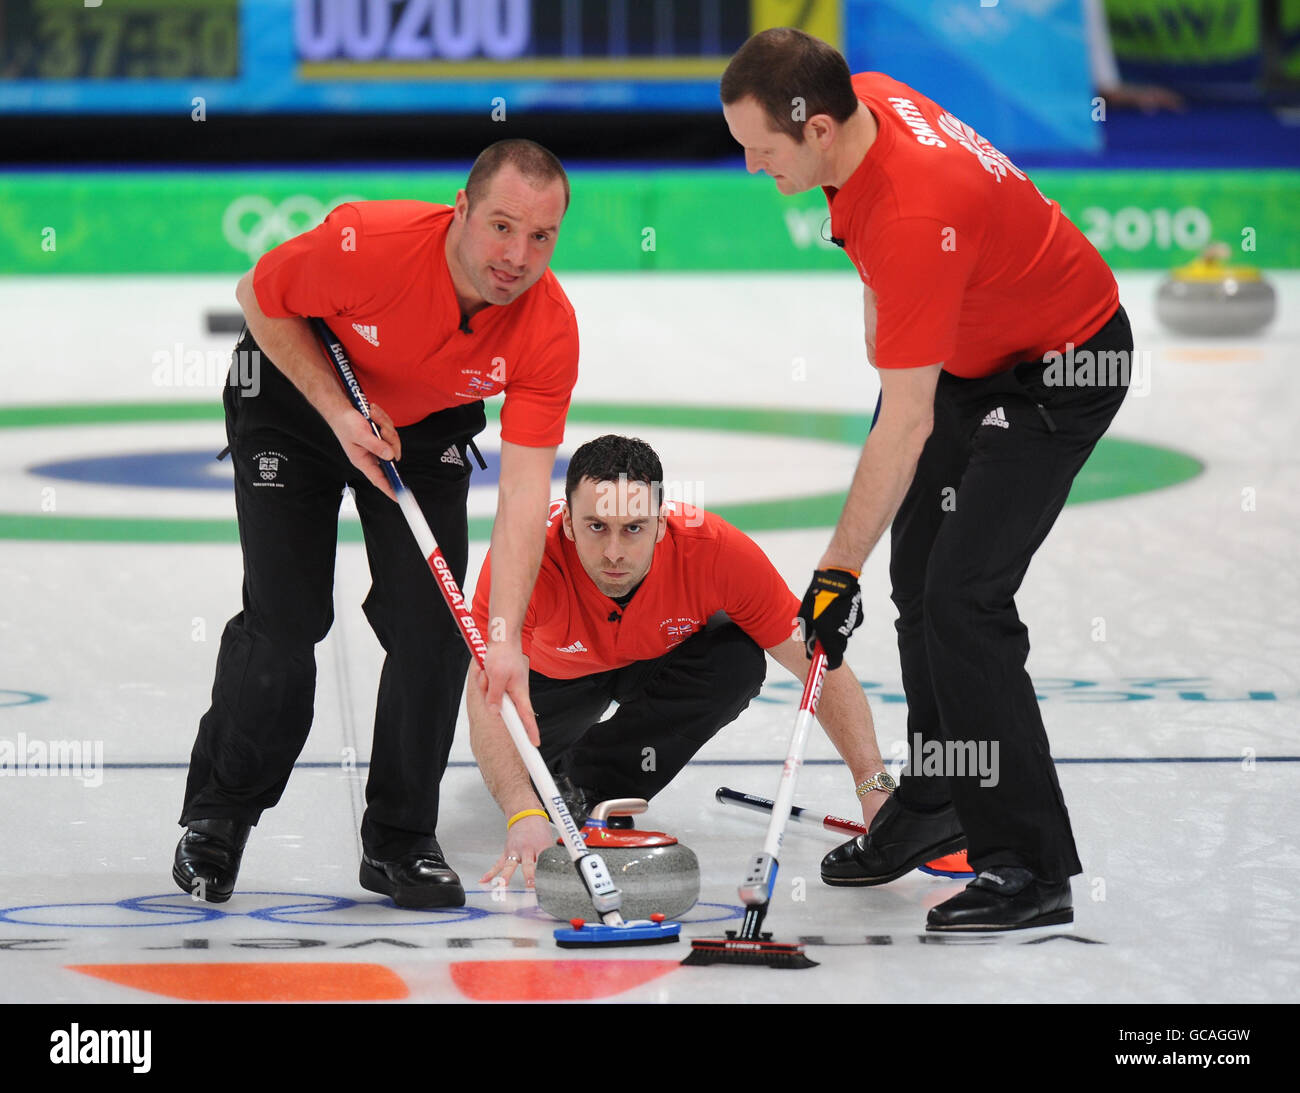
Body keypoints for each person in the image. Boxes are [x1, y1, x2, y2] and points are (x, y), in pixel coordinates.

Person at [720, 29, 1133, 931]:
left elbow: (902, 417)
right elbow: (895, 352)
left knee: (962, 600)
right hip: (969, 356)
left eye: (761, 150)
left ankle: (1028, 866)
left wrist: (834, 571)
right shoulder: (861, 93)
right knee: (918, 580)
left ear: (819, 129)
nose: (752, 168)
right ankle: (945, 789)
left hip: (1060, 369)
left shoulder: (913, 210)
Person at [173, 139, 578, 909]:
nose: (518, 256)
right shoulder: (370, 246)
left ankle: (400, 840)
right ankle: (219, 817)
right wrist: (337, 411)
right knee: (288, 618)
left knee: (434, 627)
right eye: (501, 226)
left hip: (424, 427)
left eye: (541, 237)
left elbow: (526, 494)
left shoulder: (548, 327)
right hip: (294, 399)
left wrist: (507, 636)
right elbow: (258, 298)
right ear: (460, 208)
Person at [466, 434, 891, 889]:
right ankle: (548, 780)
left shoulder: (715, 552)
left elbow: (816, 664)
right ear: (567, 522)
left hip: (653, 660)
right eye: (596, 527)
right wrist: (520, 809)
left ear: (661, 524)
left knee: (736, 661)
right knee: (525, 770)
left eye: (633, 528)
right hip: (551, 682)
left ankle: (588, 786)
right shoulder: (523, 559)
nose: (614, 552)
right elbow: (486, 688)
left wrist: (873, 784)